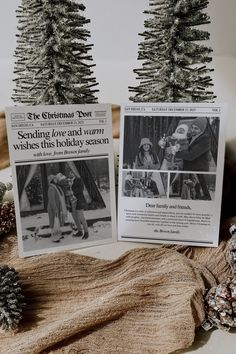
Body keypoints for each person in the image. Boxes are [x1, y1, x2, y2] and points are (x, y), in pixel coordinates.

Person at [47, 174, 67, 242]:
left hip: (57, 208)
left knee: (57, 222)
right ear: (52, 180)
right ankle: (55, 238)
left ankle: (58, 235)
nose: (56, 180)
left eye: (56, 178)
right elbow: (52, 200)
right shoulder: (51, 188)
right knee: (54, 223)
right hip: (53, 208)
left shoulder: (56, 187)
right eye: (55, 179)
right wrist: (55, 209)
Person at [70, 171, 89, 239]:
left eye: (72, 172)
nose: (70, 173)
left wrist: (72, 192)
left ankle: (86, 232)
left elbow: (81, 189)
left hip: (79, 201)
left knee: (81, 218)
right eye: (69, 173)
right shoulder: (69, 181)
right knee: (75, 218)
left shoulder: (79, 179)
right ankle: (80, 231)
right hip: (73, 202)